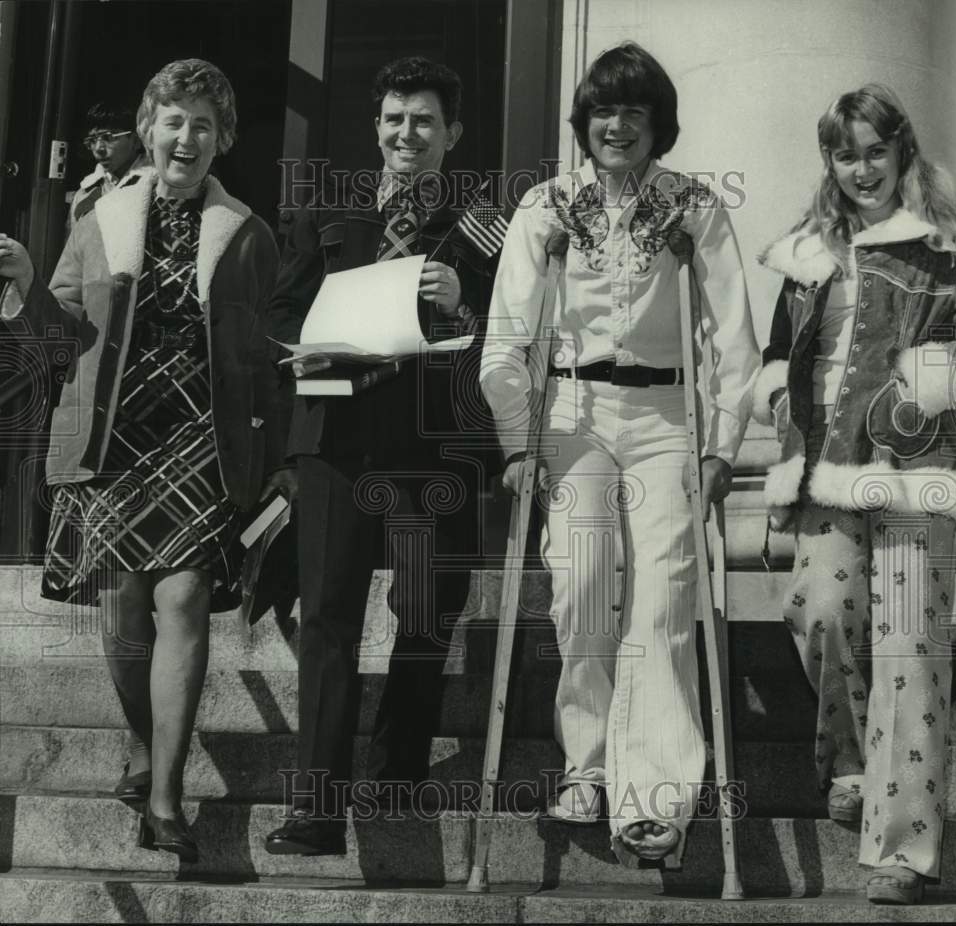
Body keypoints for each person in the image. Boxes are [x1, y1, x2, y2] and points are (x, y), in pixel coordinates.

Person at [480, 42, 758, 865]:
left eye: (635, 111)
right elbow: (507, 333)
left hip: (669, 413)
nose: (618, 125)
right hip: (573, 409)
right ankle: (588, 765)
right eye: (604, 110)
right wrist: (514, 434)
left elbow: (733, 339)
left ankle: (656, 800)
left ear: (657, 123)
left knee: (666, 589)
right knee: (581, 576)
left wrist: (722, 444)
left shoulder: (695, 207)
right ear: (584, 122)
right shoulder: (546, 205)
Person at [0, 58, 284, 863]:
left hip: (202, 438)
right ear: (148, 130)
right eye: (172, 119)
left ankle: (165, 795)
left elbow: (269, 357)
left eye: (202, 123)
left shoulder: (250, 234)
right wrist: (22, 288)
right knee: (125, 610)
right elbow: (55, 344)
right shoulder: (97, 221)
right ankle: (139, 739)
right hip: (112, 440)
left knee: (185, 597)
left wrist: (277, 464)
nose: (185, 136)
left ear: (221, 140)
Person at [752, 83, 956, 904]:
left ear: (901, 152)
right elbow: (780, 351)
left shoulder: (946, 249)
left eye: (874, 151)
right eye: (845, 153)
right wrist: (777, 406)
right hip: (825, 465)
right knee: (820, 608)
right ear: (830, 159)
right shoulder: (807, 253)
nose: (862, 169)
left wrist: (926, 387)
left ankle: (901, 850)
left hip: (914, 473)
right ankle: (851, 759)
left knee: (908, 654)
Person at [263, 56, 497, 855]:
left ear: (452, 134)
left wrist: (465, 299)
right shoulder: (328, 214)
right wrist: (296, 352)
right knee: (328, 617)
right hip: (336, 438)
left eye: (425, 121)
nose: (408, 134)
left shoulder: (484, 226)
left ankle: (398, 772)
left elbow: (525, 331)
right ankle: (317, 809)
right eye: (396, 119)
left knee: (427, 615)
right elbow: (280, 311)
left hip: (437, 446)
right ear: (377, 128)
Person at [68, 100, 148, 229]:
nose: (99, 148)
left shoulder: (156, 187)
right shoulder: (84, 194)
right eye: (92, 140)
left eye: (108, 137)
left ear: (135, 141)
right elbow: (74, 246)